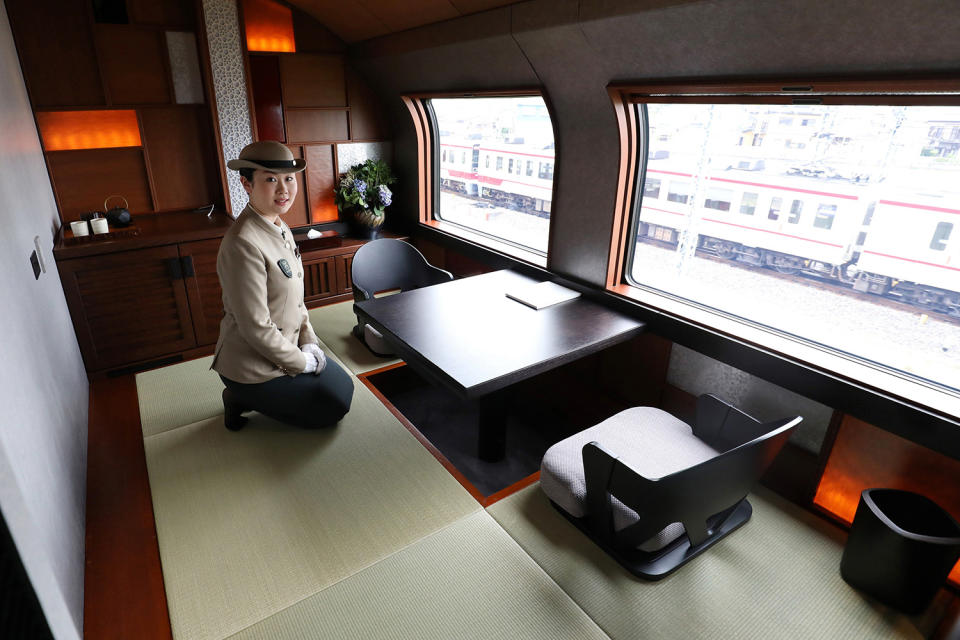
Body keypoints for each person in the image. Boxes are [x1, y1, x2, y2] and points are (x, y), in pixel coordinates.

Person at [211, 141, 353, 430]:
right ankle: (238, 395)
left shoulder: (279, 225)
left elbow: (296, 301)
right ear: (246, 184)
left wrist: (309, 341)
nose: (284, 189)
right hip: (253, 365)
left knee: (344, 389)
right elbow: (255, 327)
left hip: (286, 347)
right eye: (270, 179)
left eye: (288, 178)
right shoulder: (242, 243)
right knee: (329, 412)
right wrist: (302, 363)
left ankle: (259, 396)